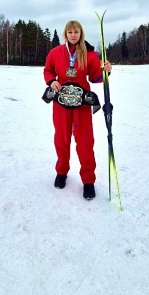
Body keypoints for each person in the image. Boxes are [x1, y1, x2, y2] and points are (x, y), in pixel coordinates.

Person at [43, 20, 112, 200]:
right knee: (62, 139)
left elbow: (96, 77)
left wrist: (105, 71)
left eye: (76, 32)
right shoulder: (55, 53)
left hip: (82, 103)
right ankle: (62, 172)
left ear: (81, 33)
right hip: (61, 103)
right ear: (66, 34)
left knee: (85, 142)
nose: (73, 35)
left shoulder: (88, 54)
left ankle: (88, 181)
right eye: (70, 32)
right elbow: (48, 70)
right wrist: (52, 81)